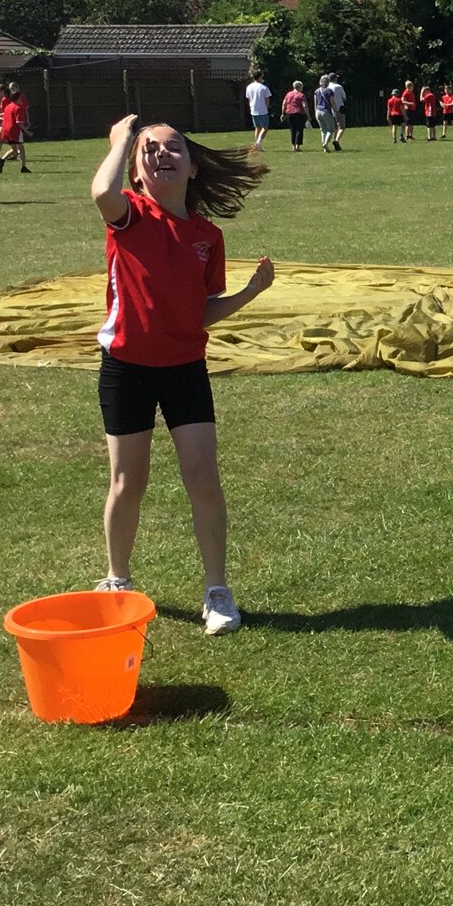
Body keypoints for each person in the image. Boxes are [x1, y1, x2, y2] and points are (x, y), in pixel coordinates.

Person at [89, 114, 273, 636]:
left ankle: (217, 592)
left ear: (193, 168)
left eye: (172, 148)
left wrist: (250, 293)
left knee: (203, 480)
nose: (160, 154)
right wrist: (121, 139)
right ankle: (118, 580)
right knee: (129, 482)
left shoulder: (206, 237)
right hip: (126, 367)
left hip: (185, 368)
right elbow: (102, 188)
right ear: (136, 171)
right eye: (149, 150)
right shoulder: (130, 215)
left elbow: (201, 312)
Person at [0, 83, 32, 174]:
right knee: (21, 149)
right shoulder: (18, 108)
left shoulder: (8, 107)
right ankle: (23, 167)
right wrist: (28, 132)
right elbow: (19, 123)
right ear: (17, 99)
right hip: (15, 131)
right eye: (20, 98)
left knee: (14, 150)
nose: (22, 100)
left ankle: (1, 160)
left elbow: (5, 117)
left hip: (7, 131)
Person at [244, 71, 272, 154]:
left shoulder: (249, 87)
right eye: (261, 77)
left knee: (257, 127)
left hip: (253, 110)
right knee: (265, 128)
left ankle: (257, 145)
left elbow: (249, 99)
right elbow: (267, 99)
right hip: (262, 110)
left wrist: (251, 107)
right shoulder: (263, 88)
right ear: (259, 77)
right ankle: (258, 143)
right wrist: (267, 107)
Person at [281, 80, 309, 151]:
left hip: (289, 113)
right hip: (299, 114)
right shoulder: (301, 95)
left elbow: (284, 103)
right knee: (299, 130)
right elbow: (304, 105)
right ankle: (297, 147)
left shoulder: (288, 94)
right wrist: (308, 115)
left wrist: (283, 113)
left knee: (292, 130)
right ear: (300, 87)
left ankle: (293, 146)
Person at [313, 74, 337, 152]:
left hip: (318, 111)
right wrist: (336, 111)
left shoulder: (317, 91)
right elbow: (332, 102)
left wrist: (315, 112)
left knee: (323, 130)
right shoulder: (329, 91)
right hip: (326, 111)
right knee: (331, 129)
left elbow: (315, 103)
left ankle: (324, 148)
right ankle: (326, 144)